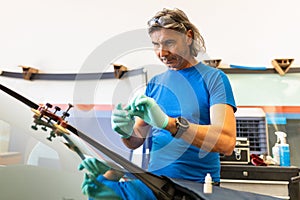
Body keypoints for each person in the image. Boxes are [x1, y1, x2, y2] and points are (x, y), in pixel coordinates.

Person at [78, 8, 237, 199]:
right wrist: (125, 131)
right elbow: (135, 141)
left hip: (194, 188)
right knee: (97, 189)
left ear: (188, 37)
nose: (162, 53)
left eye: (169, 43)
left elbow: (226, 142)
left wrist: (169, 124)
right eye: (156, 45)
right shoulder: (155, 84)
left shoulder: (214, 79)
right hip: (156, 184)